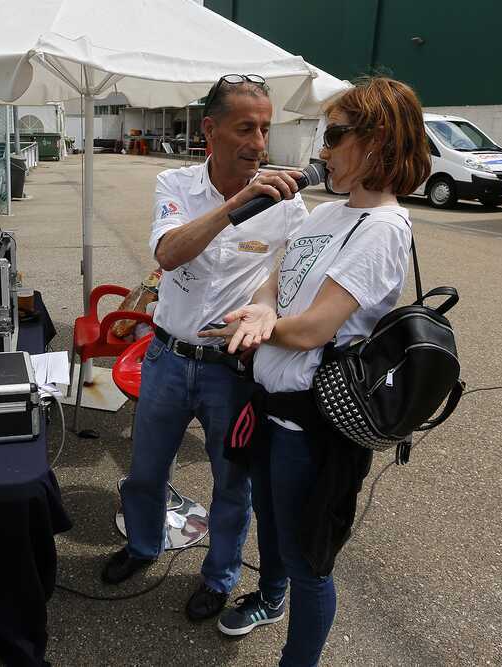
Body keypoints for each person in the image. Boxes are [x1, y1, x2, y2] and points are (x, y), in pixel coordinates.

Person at [198, 76, 431, 665]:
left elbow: (313, 329)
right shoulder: (325, 214)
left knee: (309, 559)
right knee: (272, 524)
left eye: (334, 136)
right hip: (269, 407)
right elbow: (274, 282)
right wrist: (261, 310)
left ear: (378, 142)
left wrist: (264, 325)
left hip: (312, 425)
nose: (322, 151)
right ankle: (268, 597)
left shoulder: (383, 230)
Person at [101, 74, 311, 622]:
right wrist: (235, 205)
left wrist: (271, 311)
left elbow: (301, 278)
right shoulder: (175, 183)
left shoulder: (288, 205)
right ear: (210, 130)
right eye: (245, 128)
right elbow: (169, 254)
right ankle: (143, 545)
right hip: (168, 359)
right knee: (146, 471)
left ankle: (219, 577)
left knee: (232, 484)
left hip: (233, 371)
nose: (259, 143)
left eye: (265, 129)